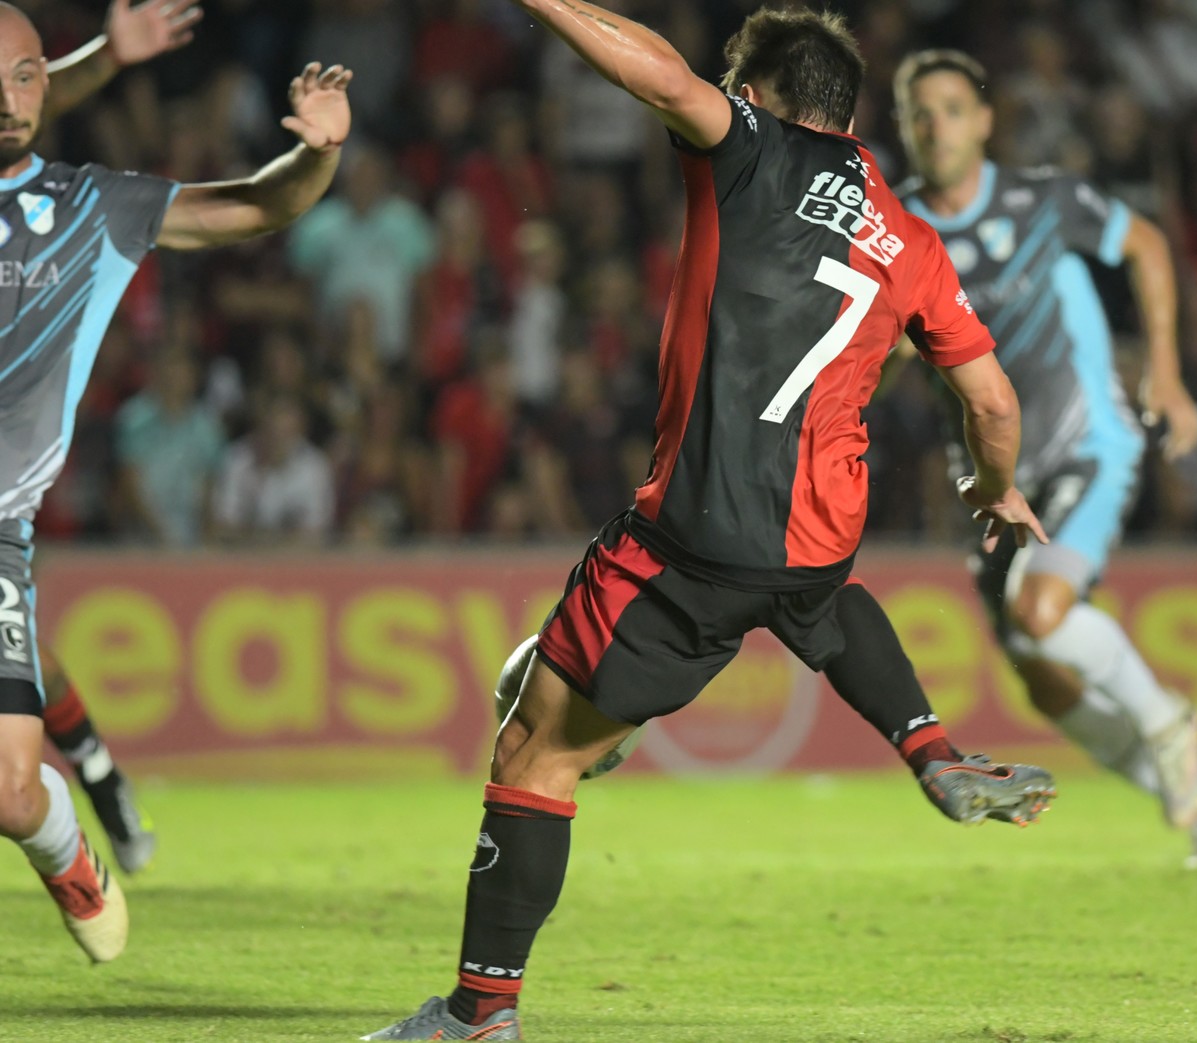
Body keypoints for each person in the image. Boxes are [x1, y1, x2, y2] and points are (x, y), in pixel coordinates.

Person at [364, 6, 1052, 1041]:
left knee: (532, 754)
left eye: (739, 90)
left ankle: (478, 1014)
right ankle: (931, 746)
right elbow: (992, 405)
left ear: (765, 94)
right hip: (816, 532)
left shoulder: (750, 148)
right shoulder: (910, 238)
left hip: (691, 534)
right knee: (817, 597)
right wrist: (998, 488)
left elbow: (661, 80)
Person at [0, 0, 353, 965]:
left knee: (11, 794)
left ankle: (72, 838)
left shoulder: (91, 207)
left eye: (27, 78)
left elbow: (253, 204)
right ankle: (104, 783)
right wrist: (108, 54)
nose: (12, 99)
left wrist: (316, 156)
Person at [836, 49, 1197, 866]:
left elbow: (1149, 246)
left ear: (985, 122)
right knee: (1043, 677)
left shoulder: (1045, 200)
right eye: (920, 112)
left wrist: (1163, 368)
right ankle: (1194, 801)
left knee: (1039, 612)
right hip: (993, 475)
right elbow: (881, 355)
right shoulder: (895, 226)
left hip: (1090, 440)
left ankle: (1168, 724)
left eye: (953, 107)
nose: (936, 125)